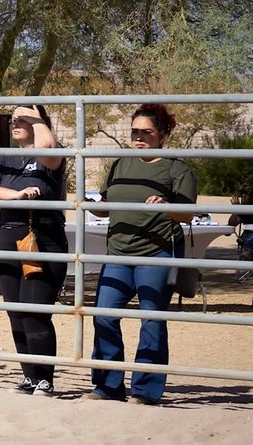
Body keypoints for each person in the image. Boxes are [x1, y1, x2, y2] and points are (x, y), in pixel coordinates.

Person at [84, 103, 197, 405]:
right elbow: (106, 203)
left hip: (157, 252)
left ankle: (146, 390)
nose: (139, 137)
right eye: (134, 131)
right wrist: (91, 203)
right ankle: (108, 385)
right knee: (104, 315)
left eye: (146, 131)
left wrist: (166, 206)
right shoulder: (121, 163)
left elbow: (187, 216)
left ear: (162, 134)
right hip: (118, 252)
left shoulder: (177, 168)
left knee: (151, 320)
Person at [0, 105, 67, 397]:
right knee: (16, 311)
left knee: (35, 312)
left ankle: (45, 379)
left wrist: (36, 119)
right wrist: (14, 194)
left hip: (42, 239)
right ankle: (29, 377)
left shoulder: (51, 152)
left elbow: (47, 150)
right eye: (13, 119)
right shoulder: (5, 156)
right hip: (8, 238)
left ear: (40, 122)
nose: (15, 123)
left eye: (23, 119)